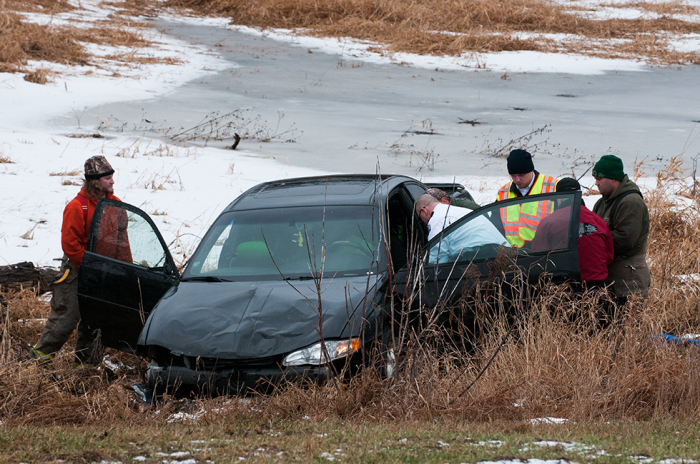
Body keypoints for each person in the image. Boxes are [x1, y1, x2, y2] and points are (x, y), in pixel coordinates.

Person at [31, 156, 131, 364]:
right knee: (65, 319)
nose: (112, 181)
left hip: (103, 272)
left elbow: (122, 243)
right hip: (77, 271)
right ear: (94, 181)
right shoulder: (77, 207)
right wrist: (90, 266)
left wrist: (126, 271)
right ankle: (35, 364)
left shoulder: (117, 205)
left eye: (112, 177)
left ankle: (86, 369)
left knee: (97, 322)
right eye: (108, 178)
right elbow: (70, 245)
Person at [531, 178, 614, 285]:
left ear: (558, 198)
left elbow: (538, 257)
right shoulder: (598, 221)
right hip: (597, 285)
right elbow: (609, 256)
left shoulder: (548, 222)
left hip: (564, 287)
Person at [592, 155, 650, 301]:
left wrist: (594, 241)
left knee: (628, 323)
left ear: (613, 178)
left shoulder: (631, 202)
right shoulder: (601, 203)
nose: (596, 183)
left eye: (599, 178)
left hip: (629, 283)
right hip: (610, 281)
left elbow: (625, 240)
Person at [415, 194, 508, 264]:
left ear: (424, 211)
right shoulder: (461, 210)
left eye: (420, 217)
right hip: (503, 252)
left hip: (478, 255)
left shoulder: (437, 218)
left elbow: (438, 255)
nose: (422, 221)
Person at [495, 149, 558, 248]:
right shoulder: (503, 192)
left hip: (543, 251)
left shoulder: (554, 187)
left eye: (521, 175)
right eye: (513, 175)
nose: (517, 180)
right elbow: (495, 224)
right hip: (512, 253)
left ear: (531, 170)